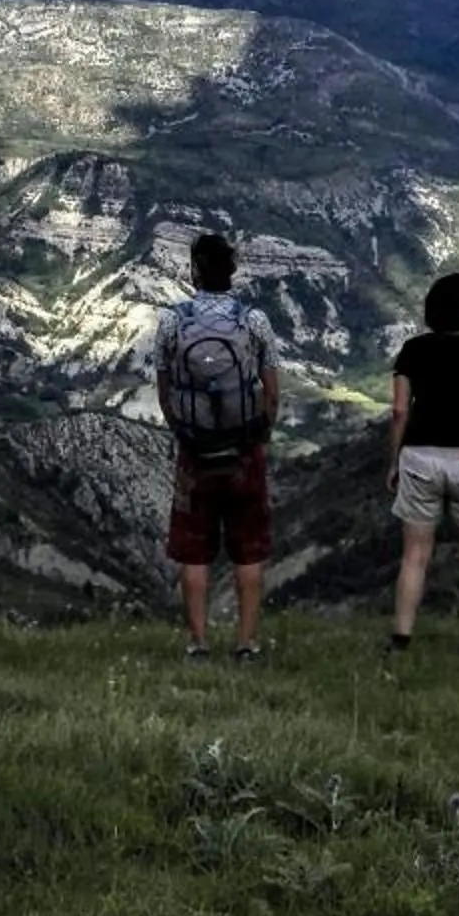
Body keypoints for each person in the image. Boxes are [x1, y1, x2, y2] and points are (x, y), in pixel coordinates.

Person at [154, 230, 281, 661]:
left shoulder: (171, 321)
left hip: (196, 453)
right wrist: (260, 433)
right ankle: (246, 643)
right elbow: (272, 389)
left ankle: (197, 643)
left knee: (195, 549)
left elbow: (164, 387)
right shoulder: (254, 321)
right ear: (233, 270)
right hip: (244, 451)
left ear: (193, 270)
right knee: (248, 549)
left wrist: (184, 431)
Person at [384, 271, 459, 656]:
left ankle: (401, 640)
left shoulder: (413, 351)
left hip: (420, 456)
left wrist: (394, 461)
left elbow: (400, 411)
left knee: (415, 556)